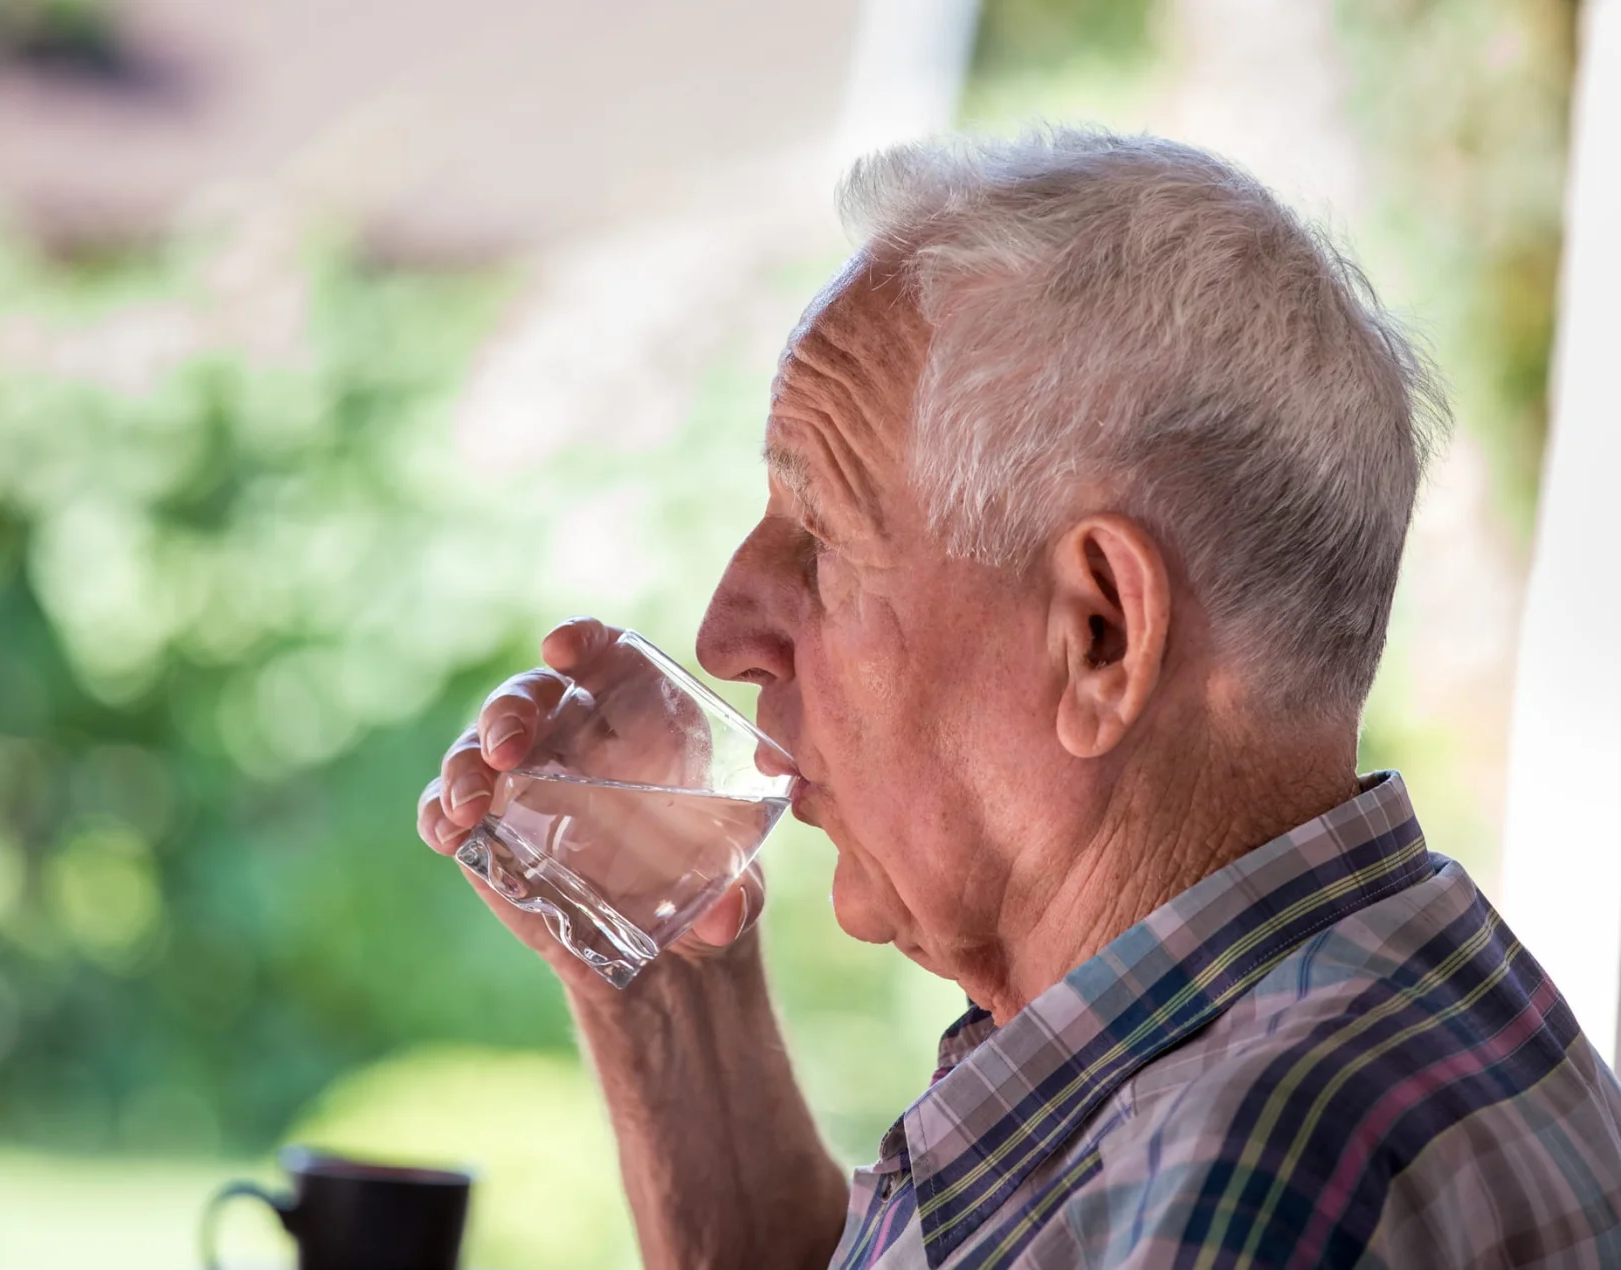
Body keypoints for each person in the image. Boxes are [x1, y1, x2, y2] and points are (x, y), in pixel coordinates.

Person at [417, 130, 1621, 1268]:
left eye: (820, 541)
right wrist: (669, 979)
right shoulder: (1325, 1003)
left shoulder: (1246, 1171)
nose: (726, 632)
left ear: (1101, 635)